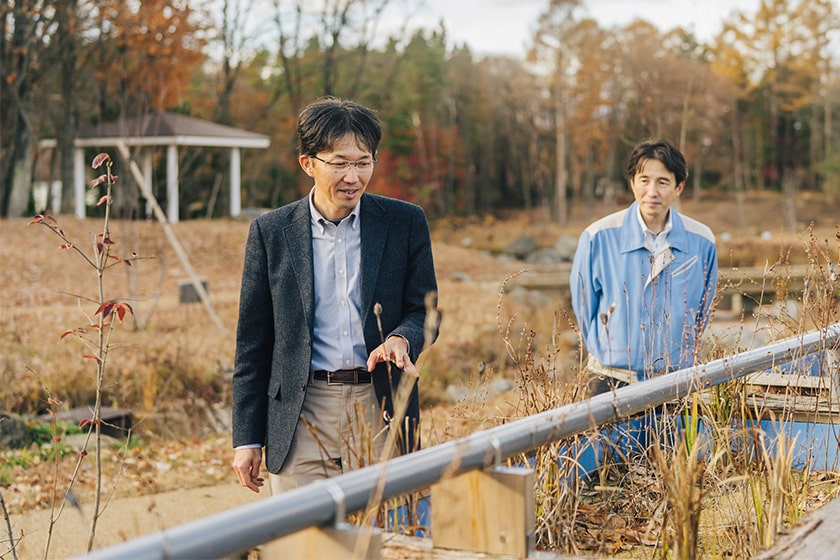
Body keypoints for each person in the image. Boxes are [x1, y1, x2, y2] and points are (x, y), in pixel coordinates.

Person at [231, 96, 439, 494]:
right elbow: (253, 342)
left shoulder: (404, 222)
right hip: (299, 412)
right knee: (300, 544)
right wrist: (246, 438)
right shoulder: (270, 232)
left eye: (363, 162)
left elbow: (424, 312)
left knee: (377, 539)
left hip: (378, 404)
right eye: (340, 163)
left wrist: (400, 338)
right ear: (308, 163)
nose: (353, 176)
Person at [570, 138, 717, 395]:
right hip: (611, 379)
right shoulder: (598, 237)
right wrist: (606, 348)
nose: (652, 192)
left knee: (674, 438)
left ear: (679, 187)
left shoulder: (702, 241)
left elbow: (704, 308)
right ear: (632, 183)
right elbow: (584, 307)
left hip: (675, 380)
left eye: (663, 182)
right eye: (644, 180)